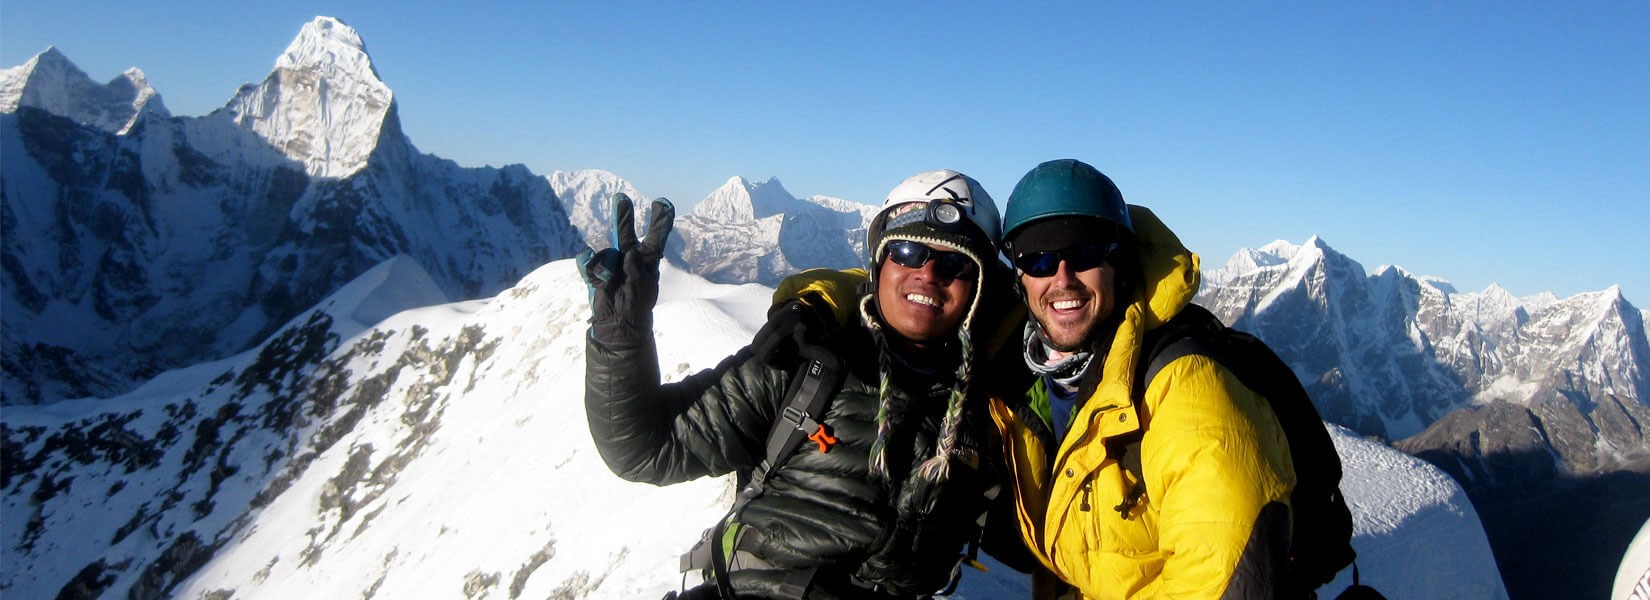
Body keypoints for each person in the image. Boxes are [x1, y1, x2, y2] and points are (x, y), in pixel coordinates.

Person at [776, 159, 1299, 599]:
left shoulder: (1189, 390)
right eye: (1041, 259)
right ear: (1018, 276)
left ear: (1120, 261)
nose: (1062, 278)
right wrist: (816, 299)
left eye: (1086, 254)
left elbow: (1228, 576)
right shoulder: (1020, 350)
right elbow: (909, 280)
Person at [579, 169, 1032, 600]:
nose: (928, 274)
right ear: (879, 264)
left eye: (955, 263)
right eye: (908, 253)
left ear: (980, 288)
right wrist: (621, 338)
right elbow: (646, 449)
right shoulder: (806, 362)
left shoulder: (993, 410)